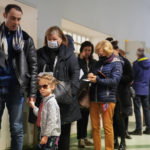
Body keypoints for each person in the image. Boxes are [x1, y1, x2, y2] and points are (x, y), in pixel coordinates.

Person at [35, 26, 81, 150]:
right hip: (45, 98)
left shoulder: (69, 54)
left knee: (63, 133)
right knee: (44, 131)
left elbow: (75, 74)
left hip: (65, 100)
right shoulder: (39, 53)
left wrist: (72, 91)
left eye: (54, 38)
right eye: (49, 39)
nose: (51, 41)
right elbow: (33, 72)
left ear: (61, 39)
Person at [0, 4, 37, 150]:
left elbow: (34, 67)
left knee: (16, 128)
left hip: (16, 89)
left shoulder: (26, 39)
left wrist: (32, 93)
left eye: (19, 19)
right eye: (13, 18)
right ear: (5, 16)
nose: (16, 22)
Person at [88, 40, 122, 150]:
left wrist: (97, 79)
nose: (99, 54)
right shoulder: (98, 63)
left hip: (108, 99)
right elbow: (93, 73)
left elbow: (114, 81)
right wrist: (90, 75)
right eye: (98, 52)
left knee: (107, 127)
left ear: (108, 51)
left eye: (101, 52)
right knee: (95, 127)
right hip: (94, 98)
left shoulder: (117, 63)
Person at [29, 73, 61, 150]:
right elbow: (40, 114)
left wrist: (46, 136)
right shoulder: (44, 100)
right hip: (44, 133)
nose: (42, 89)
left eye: (45, 86)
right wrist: (33, 106)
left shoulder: (51, 102)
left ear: (52, 86)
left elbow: (52, 121)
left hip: (51, 135)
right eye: (40, 87)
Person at [77, 41, 96, 148]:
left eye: (89, 50)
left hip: (91, 91)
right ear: (82, 50)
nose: (88, 52)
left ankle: (84, 136)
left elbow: (96, 72)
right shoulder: (78, 60)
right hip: (81, 91)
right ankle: (80, 138)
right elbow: (76, 71)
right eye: (85, 50)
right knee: (80, 115)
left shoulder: (94, 62)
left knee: (86, 115)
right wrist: (80, 58)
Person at [129, 48, 150, 135]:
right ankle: (148, 129)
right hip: (146, 89)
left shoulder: (136, 64)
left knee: (137, 110)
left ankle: (138, 129)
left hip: (137, 89)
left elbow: (132, 76)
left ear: (137, 54)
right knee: (146, 110)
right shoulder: (149, 63)